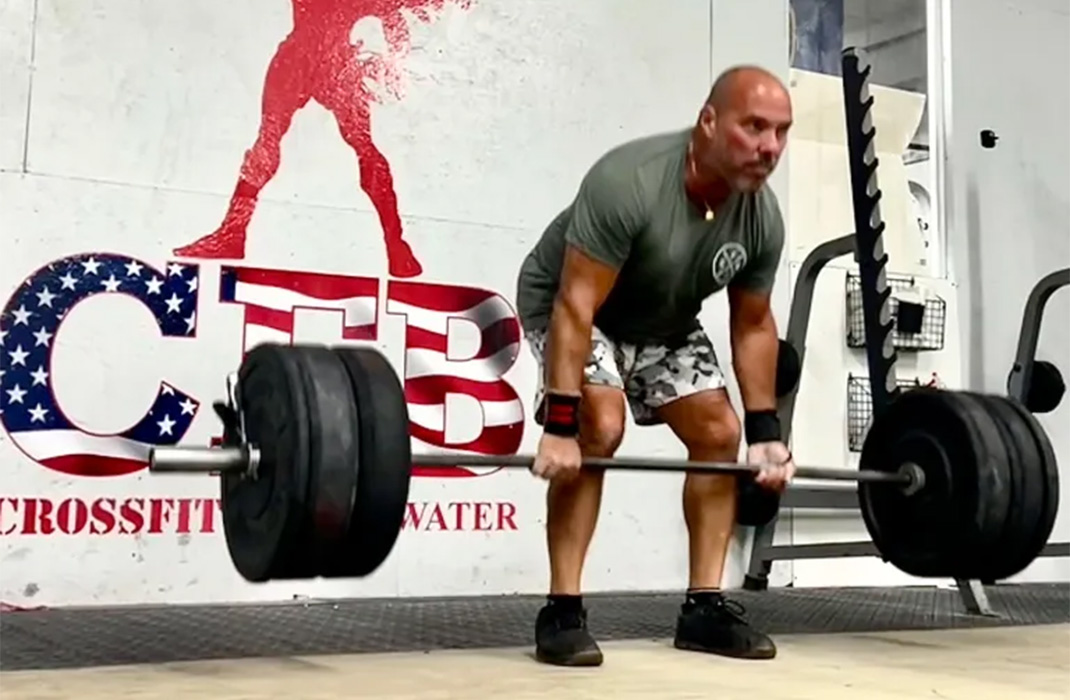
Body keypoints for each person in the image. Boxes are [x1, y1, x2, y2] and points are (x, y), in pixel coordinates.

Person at [514, 65, 796, 667]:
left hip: (661, 322)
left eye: (780, 132)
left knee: (721, 433)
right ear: (709, 122)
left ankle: (703, 609)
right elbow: (575, 304)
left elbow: (752, 324)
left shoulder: (760, 216)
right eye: (754, 127)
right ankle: (562, 611)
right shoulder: (630, 181)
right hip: (571, 306)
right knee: (601, 426)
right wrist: (561, 424)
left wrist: (768, 436)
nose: (769, 147)